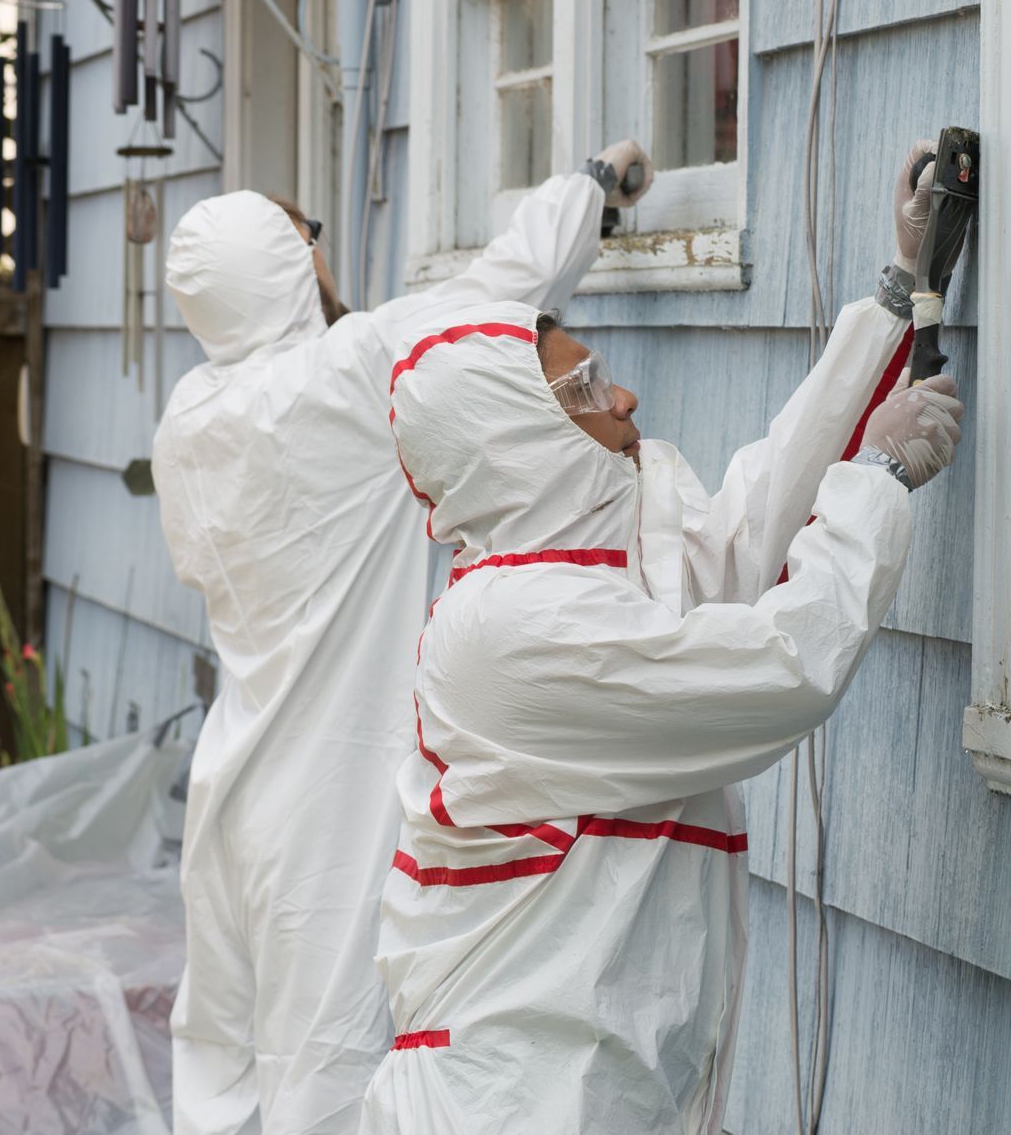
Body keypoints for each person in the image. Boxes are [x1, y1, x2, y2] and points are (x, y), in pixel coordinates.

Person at [360, 142, 966, 1134]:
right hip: (509, 1103)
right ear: (521, 439)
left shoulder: (574, 580)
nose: (625, 396)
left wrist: (893, 300)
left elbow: (741, 537)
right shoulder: (509, 636)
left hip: (584, 1089)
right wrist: (875, 482)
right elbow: (774, 669)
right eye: (587, 387)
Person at [153, 140, 654, 1135]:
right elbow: (498, 283)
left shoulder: (188, 419)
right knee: (324, 1072)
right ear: (292, 269)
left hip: (227, 795)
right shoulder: (348, 374)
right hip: (326, 807)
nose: (326, 253)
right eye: (310, 240)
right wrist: (592, 188)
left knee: (219, 1061)